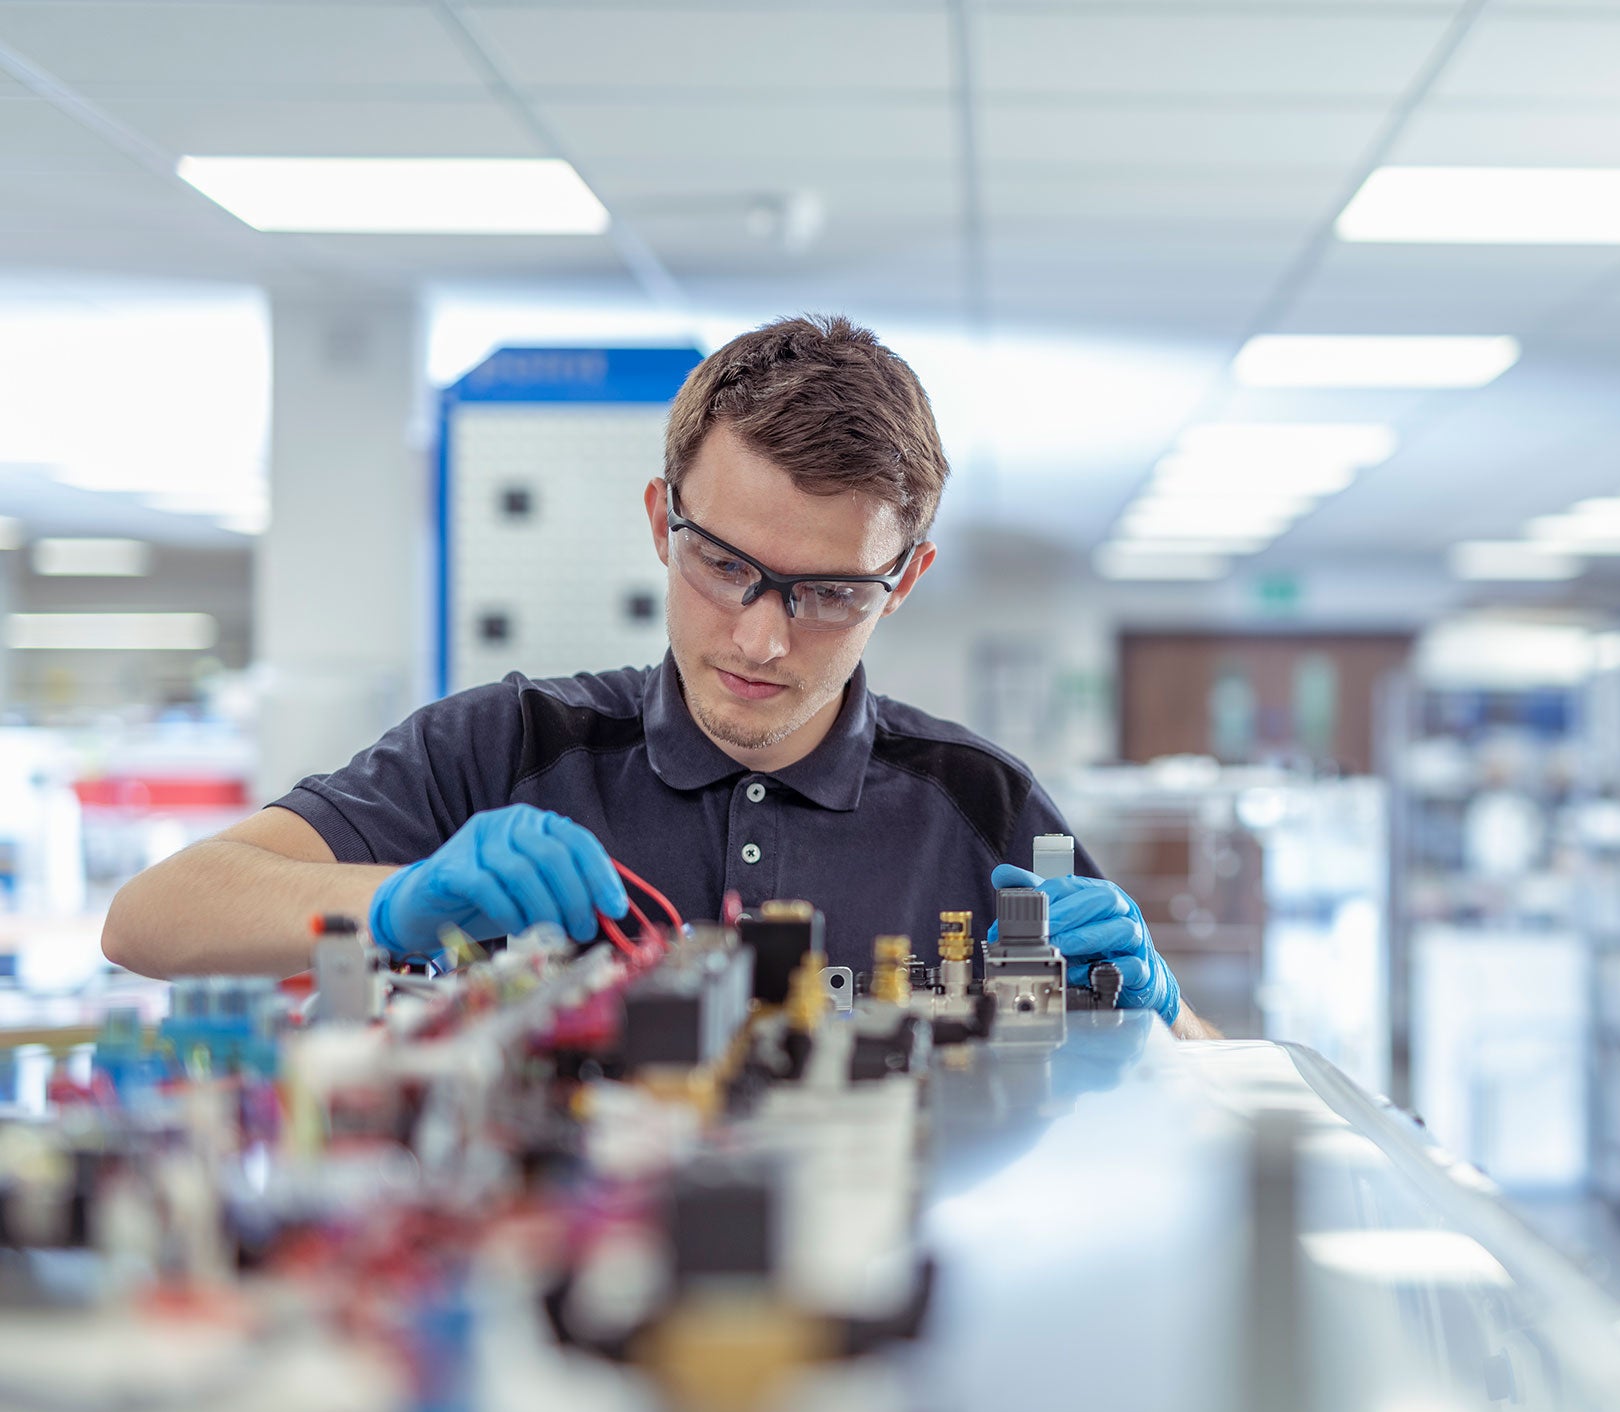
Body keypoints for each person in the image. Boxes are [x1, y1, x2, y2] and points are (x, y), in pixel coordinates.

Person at [104, 315, 1213, 1040]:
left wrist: (1161, 1018)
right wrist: (391, 901)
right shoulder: (504, 751)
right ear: (660, 523)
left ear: (906, 580)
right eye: (724, 565)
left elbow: (1199, 1079)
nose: (762, 639)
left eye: (828, 593)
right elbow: (150, 921)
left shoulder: (979, 806)